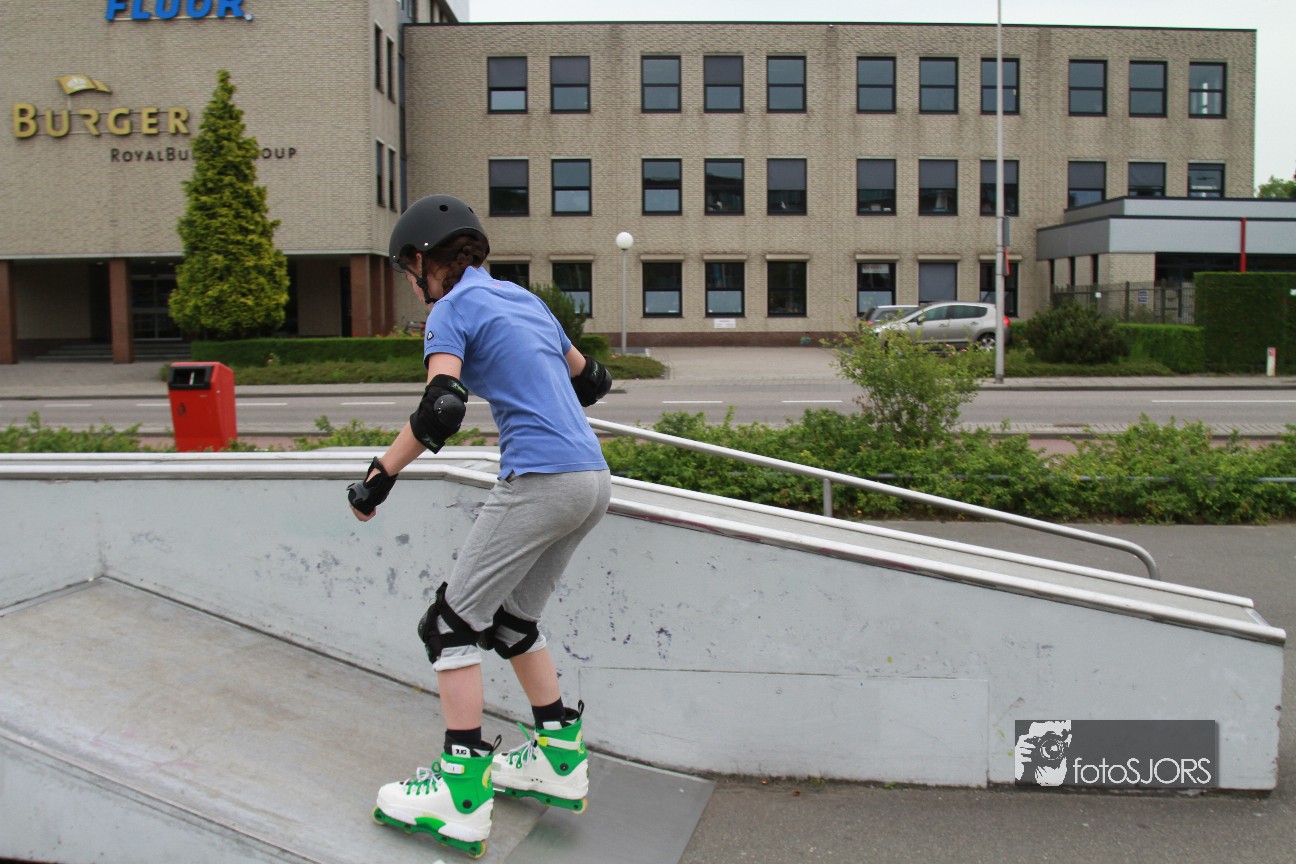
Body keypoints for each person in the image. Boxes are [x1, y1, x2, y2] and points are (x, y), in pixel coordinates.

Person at [348, 194, 612, 858]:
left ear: (420, 261)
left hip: (542, 480)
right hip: (591, 480)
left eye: (409, 273)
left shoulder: (451, 309)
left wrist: (379, 475)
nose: (413, 286)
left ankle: (460, 792)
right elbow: (593, 381)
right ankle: (558, 757)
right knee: (513, 624)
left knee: (450, 625)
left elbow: (441, 408)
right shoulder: (524, 300)